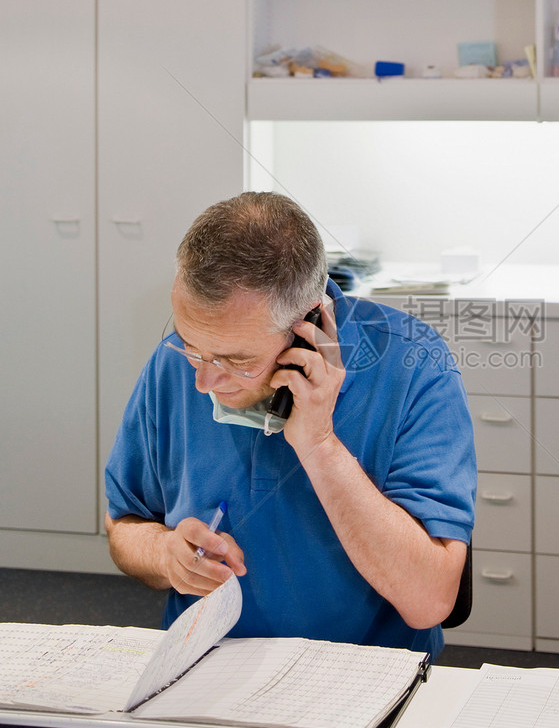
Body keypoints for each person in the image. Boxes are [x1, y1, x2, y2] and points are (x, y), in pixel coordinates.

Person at [104, 192, 477, 660]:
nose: (202, 380)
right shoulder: (175, 365)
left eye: (236, 360)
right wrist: (164, 554)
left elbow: (430, 600)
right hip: (206, 667)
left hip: (364, 676)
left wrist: (319, 443)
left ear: (309, 331)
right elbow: (124, 523)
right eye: (191, 345)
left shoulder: (414, 366)